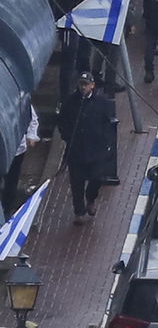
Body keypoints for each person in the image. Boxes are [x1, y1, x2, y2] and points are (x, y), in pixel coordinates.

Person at [57, 73, 116, 223]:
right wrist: (67, 136)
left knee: (96, 178)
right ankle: (79, 211)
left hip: (96, 150)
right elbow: (62, 121)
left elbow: (108, 123)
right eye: (81, 84)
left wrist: (105, 141)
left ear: (92, 85)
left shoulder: (102, 102)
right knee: (76, 182)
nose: (83, 87)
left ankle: (90, 198)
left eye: (86, 84)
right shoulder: (70, 102)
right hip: (76, 150)